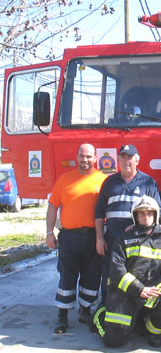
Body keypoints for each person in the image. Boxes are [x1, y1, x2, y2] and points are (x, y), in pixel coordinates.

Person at [93, 196, 161, 348]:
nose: (146, 216)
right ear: (135, 216)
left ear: (156, 215)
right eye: (141, 213)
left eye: (149, 213)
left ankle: (151, 331)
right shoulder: (124, 239)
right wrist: (139, 289)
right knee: (113, 341)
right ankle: (101, 313)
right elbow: (116, 271)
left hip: (151, 292)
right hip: (125, 292)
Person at [46, 143, 107, 334]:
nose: (85, 160)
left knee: (92, 276)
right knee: (67, 276)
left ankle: (85, 312)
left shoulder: (104, 181)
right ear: (77, 157)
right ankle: (62, 316)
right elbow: (52, 207)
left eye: (89, 156)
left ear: (96, 158)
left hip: (94, 237)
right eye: (82, 156)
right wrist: (49, 232)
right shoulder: (64, 180)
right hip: (69, 237)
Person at [95, 144, 161, 300]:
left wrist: (139, 226)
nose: (126, 161)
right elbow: (99, 211)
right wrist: (99, 238)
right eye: (123, 157)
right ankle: (107, 307)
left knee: (136, 274)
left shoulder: (148, 182)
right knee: (110, 274)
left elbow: (157, 210)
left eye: (130, 157)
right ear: (117, 160)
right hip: (112, 239)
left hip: (138, 239)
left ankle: (134, 310)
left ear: (137, 160)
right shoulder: (109, 182)